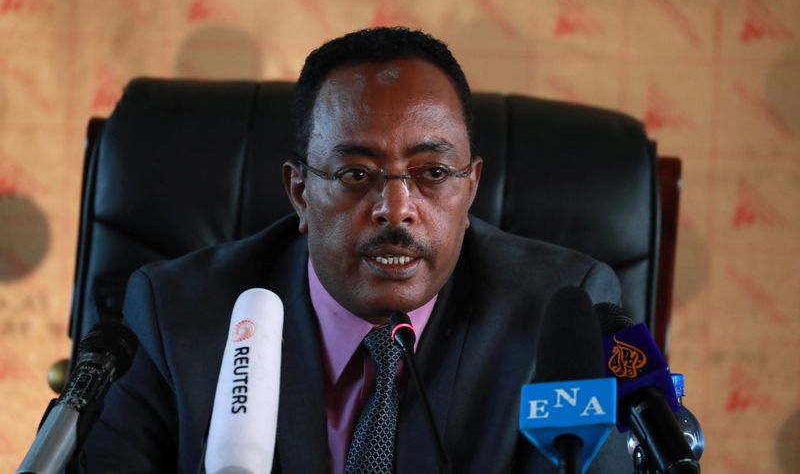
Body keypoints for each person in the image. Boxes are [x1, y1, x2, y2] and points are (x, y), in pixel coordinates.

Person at [81, 27, 629, 472]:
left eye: (433, 172)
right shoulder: (176, 315)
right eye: (355, 173)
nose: (396, 209)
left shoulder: (558, 320)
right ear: (300, 192)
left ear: (471, 188)